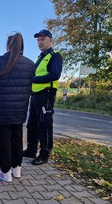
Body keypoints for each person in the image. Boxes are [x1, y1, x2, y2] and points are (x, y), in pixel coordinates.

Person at [0, 33, 35, 182]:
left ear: (8, 45)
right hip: (20, 108)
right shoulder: (30, 64)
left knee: (4, 141)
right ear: (21, 46)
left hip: (1, 108)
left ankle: (6, 173)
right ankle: (17, 169)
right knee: (17, 138)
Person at [23, 29, 63, 165]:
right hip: (35, 96)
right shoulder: (40, 57)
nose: (40, 42)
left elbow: (55, 75)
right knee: (32, 124)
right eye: (38, 40)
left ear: (50, 40)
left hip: (46, 95)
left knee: (44, 125)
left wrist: (34, 79)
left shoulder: (55, 55)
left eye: (43, 39)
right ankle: (31, 150)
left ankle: (45, 154)